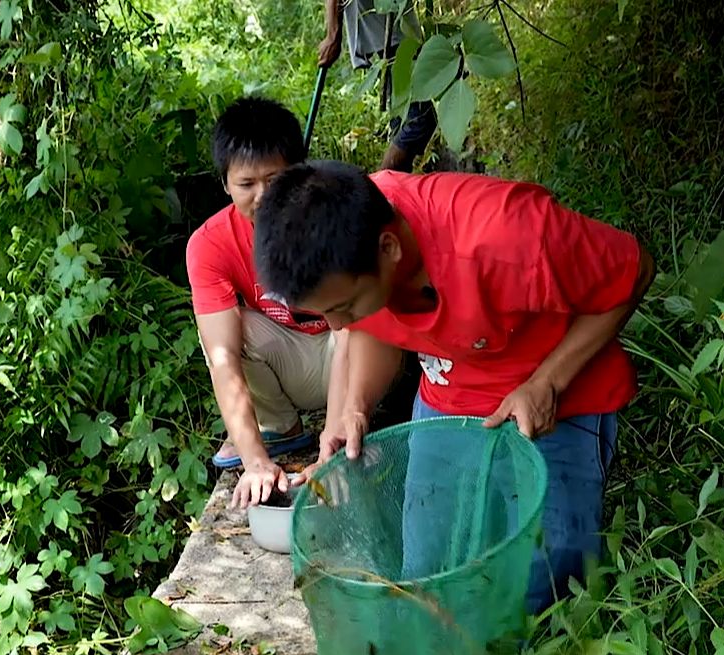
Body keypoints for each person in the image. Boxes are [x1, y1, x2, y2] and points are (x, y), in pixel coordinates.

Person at [252, 161, 656, 614]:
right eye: (324, 314)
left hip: (558, 405)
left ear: (389, 248)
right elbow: (376, 325)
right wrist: (356, 407)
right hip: (446, 400)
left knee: (550, 576)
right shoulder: (350, 247)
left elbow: (633, 269)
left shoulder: (507, 235)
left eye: (344, 307)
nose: (338, 326)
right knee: (430, 569)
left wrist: (547, 382)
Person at [185, 97, 348, 507]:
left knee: (357, 321)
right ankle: (280, 426)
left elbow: (360, 324)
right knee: (224, 331)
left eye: (275, 181)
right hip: (293, 359)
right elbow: (222, 357)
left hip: (349, 353)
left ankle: (339, 432)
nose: (262, 197)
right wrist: (255, 462)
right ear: (224, 184)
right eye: (246, 185)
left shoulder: (336, 213)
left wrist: (334, 441)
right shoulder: (209, 245)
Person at [317, 0, 438, 173]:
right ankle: (382, 190)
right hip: (385, 23)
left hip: (393, 21)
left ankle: (392, 192)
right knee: (418, 119)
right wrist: (333, 34)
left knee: (404, 119)